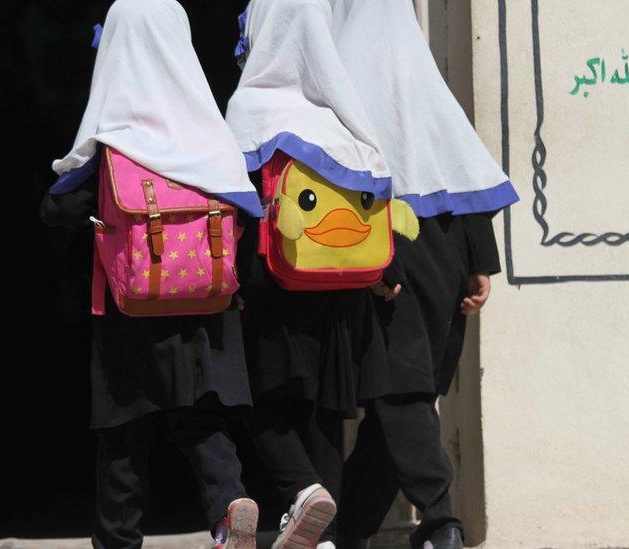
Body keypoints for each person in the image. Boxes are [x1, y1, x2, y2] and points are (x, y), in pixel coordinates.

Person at [39, 1, 263, 547]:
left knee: (123, 431)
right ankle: (228, 503)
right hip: (205, 305)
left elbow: (58, 213)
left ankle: (118, 540)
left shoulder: (115, 138)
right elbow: (247, 216)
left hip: (129, 307)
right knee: (199, 415)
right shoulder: (212, 135)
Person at [330, 2, 520, 548]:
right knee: (401, 401)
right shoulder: (425, 82)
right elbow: (462, 161)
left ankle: (441, 522)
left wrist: (377, 264)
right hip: (447, 252)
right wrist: (479, 261)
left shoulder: (347, 90)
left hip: (390, 256)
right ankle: (349, 532)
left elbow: (354, 187)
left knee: (400, 395)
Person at [225, 1, 393, 547]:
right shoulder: (343, 110)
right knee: (325, 417)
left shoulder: (250, 108)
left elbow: (233, 203)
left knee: (262, 402)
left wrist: (235, 285)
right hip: (341, 287)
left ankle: (302, 491)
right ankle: (327, 536)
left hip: (272, 288)